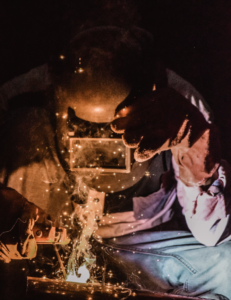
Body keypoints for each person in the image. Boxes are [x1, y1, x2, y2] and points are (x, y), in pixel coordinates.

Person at [0, 26, 230, 299]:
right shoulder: (18, 99)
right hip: (40, 244)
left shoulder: (181, 107)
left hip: (137, 242)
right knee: (23, 129)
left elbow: (212, 233)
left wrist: (200, 172)